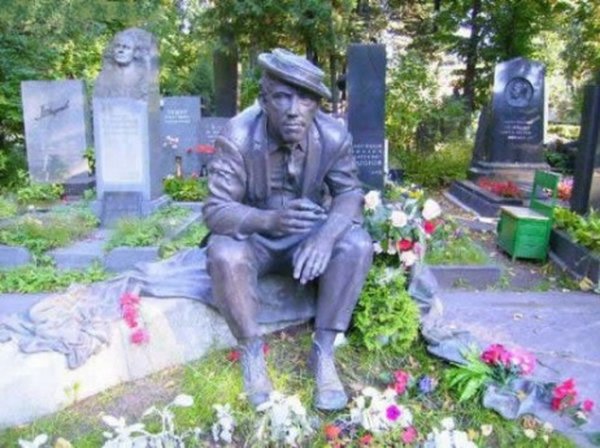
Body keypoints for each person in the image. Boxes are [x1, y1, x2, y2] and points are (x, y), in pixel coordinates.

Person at [203, 49, 373, 411]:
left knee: (356, 244)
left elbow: (349, 193)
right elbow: (216, 210)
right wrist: (268, 220)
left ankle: (323, 352)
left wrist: (325, 238)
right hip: (255, 237)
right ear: (264, 101)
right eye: (282, 97)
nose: (294, 110)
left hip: (307, 235)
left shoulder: (333, 135)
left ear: (317, 105)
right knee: (223, 252)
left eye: (305, 99)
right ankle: (252, 352)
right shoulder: (238, 135)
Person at [93, 28, 158, 100]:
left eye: (126, 47)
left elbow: (151, 103)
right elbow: (98, 101)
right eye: (118, 46)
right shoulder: (104, 77)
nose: (121, 51)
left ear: (135, 52)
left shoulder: (145, 78)